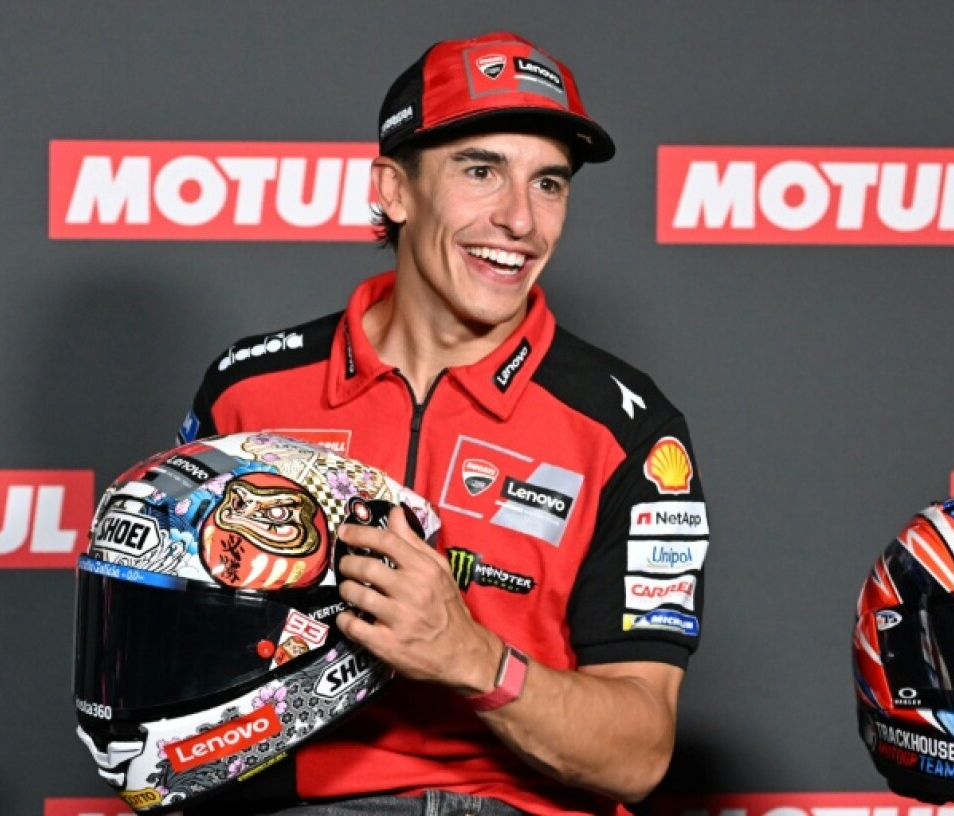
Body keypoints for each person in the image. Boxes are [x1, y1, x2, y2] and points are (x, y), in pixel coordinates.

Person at [180, 30, 710, 816]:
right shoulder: (249, 392)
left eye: (549, 185)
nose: (520, 222)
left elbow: (639, 755)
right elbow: (171, 687)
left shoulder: (628, 428)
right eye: (480, 170)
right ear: (393, 191)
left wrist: (475, 658)